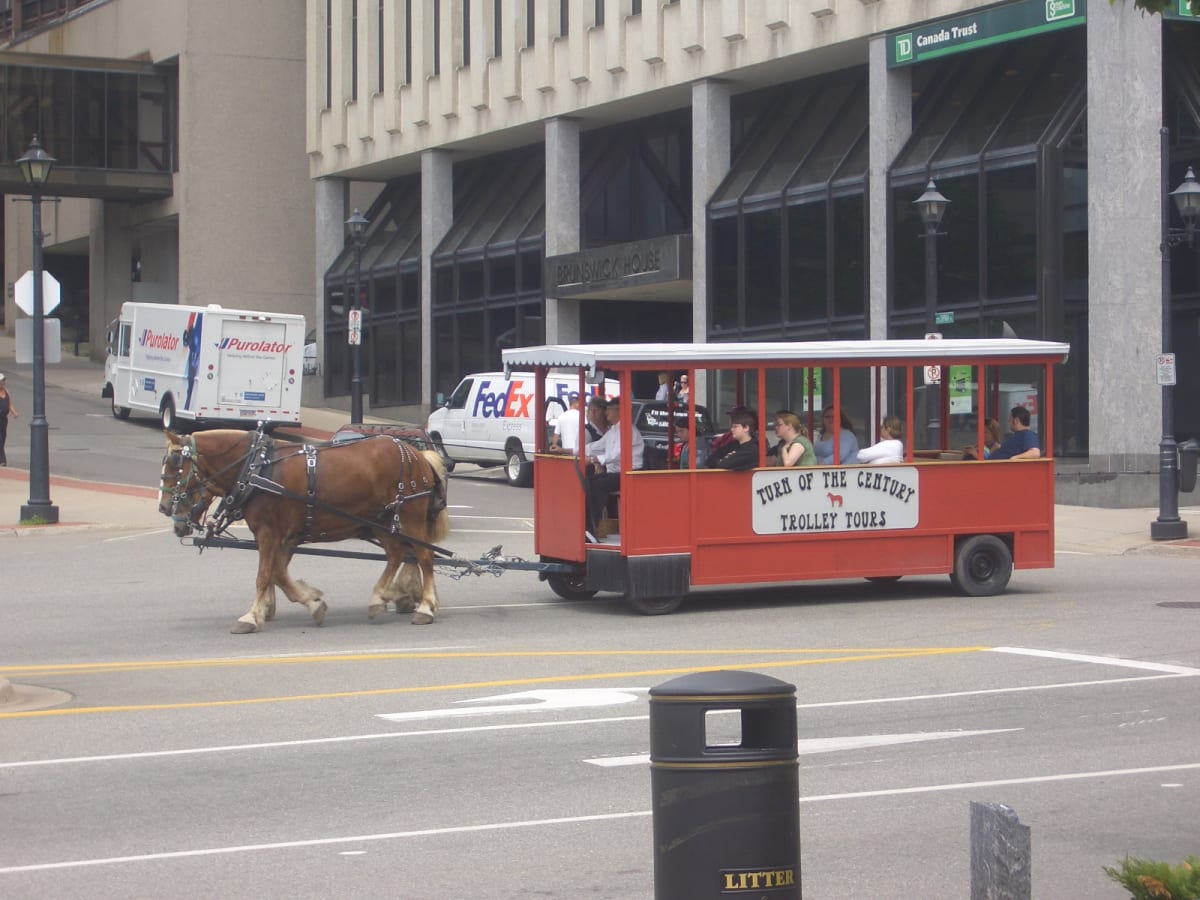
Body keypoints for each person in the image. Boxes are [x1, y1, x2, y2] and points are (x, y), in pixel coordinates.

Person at [584, 396, 644, 537]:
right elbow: (597, 446)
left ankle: (593, 526)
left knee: (598, 485)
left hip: (630, 473)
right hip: (616, 473)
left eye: (610, 409)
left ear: (620, 411)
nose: (606, 413)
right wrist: (575, 451)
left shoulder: (628, 430)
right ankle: (588, 524)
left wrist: (593, 460)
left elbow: (617, 454)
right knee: (589, 481)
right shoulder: (613, 431)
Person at [0, 373, 17, 466]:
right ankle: (2, 460)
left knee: (3, 438)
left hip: (3, 420)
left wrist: (14, 412)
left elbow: (9, 404)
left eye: (3, 381)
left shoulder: (6, 391)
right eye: (1, 382)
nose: (3, 383)